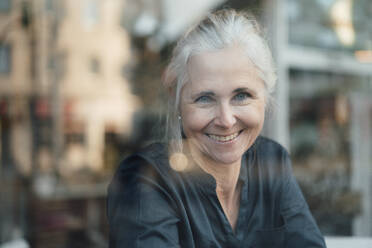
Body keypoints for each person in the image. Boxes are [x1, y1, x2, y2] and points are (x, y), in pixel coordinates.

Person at [107, 9, 326, 248]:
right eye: (204, 98)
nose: (226, 120)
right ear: (177, 99)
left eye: (242, 95)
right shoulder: (146, 178)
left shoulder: (272, 160)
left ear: (265, 96)